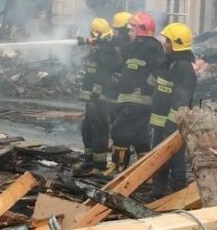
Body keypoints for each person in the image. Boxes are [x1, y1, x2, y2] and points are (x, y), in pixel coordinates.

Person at [110, 12, 164, 171]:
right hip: (130, 99)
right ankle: (145, 173)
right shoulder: (136, 45)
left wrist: (147, 87)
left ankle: (119, 168)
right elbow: (124, 57)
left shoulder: (152, 46)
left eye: (132, 29)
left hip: (137, 100)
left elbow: (160, 70)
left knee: (119, 131)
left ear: (141, 30)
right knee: (140, 137)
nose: (129, 32)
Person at [151, 23, 198, 196]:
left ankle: (179, 194)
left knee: (176, 160)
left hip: (171, 126)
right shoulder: (168, 63)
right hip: (160, 123)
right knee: (159, 160)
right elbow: (156, 85)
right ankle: (158, 193)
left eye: (168, 41)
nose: (165, 44)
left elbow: (181, 102)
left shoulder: (184, 68)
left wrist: (171, 126)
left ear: (178, 44)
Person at [75, 18, 120, 176]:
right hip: (91, 99)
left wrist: (96, 93)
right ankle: (89, 161)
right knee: (86, 130)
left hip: (99, 99)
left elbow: (108, 73)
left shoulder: (109, 50)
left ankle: (99, 165)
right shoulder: (99, 48)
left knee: (99, 130)